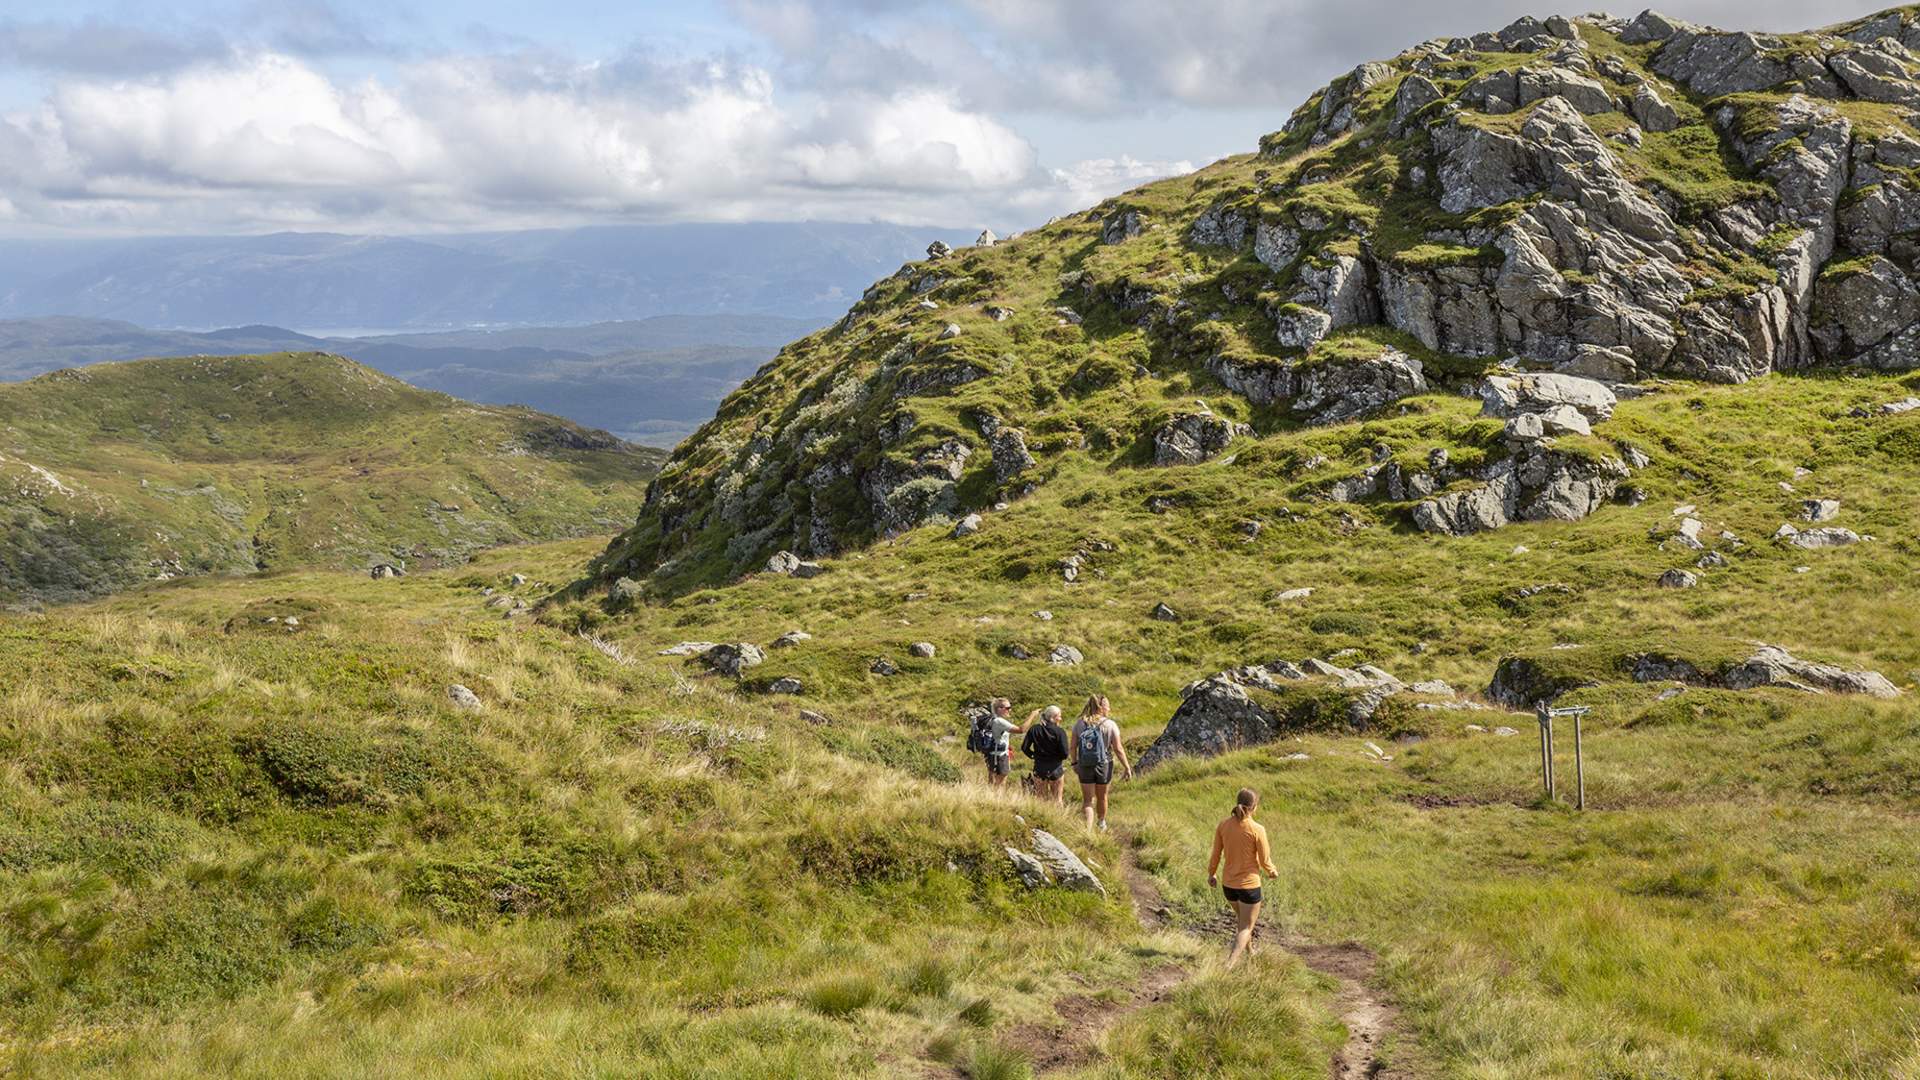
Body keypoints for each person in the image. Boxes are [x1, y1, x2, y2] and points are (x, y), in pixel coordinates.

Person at [1207, 787, 1278, 969]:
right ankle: (1229, 964)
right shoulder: (1257, 829)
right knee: (1246, 927)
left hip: (1228, 886)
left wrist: (1212, 873)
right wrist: (1272, 871)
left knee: (1243, 922)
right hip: (1249, 887)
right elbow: (1264, 860)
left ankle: (1251, 951)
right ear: (1255, 807)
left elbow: (1216, 853)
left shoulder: (1223, 825)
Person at [1069, 694, 1130, 831]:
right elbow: (1118, 749)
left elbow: (1072, 747)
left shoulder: (1079, 723)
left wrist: (1074, 763)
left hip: (1084, 764)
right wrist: (1127, 767)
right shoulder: (1110, 724)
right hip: (1104, 764)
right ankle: (1101, 823)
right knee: (1102, 797)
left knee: (1087, 801)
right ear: (1102, 707)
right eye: (1108, 705)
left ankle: (1087, 830)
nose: (1109, 708)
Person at [1020, 705, 1070, 805]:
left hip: (1039, 767)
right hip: (1056, 768)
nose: (1061, 718)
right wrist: (1057, 758)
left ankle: (1043, 817)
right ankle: (1058, 819)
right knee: (1057, 800)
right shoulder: (1060, 732)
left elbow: (1024, 748)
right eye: (1059, 716)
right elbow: (1065, 753)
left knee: (1040, 799)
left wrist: (1034, 756)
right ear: (1054, 717)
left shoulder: (1034, 729)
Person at [979, 697, 1027, 787]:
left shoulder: (992, 719)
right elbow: (1021, 730)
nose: (1010, 710)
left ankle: (989, 798)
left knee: (992, 781)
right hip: (1000, 756)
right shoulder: (999, 721)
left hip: (992, 754)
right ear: (999, 709)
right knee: (1000, 783)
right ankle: (997, 799)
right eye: (1008, 708)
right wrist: (1033, 715)